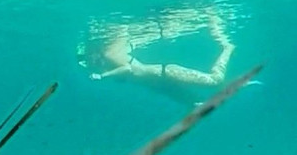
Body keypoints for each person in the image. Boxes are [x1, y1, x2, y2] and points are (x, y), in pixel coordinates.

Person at [77, 7, 241, 106]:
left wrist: (103, 75)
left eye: (87, 58)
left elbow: (128, 68)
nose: (89, 62)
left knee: (215, 80)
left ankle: (228, 48)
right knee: (197, 104)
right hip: (158, 83)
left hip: (164, 74)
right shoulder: (106, 59)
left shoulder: (109, 55)